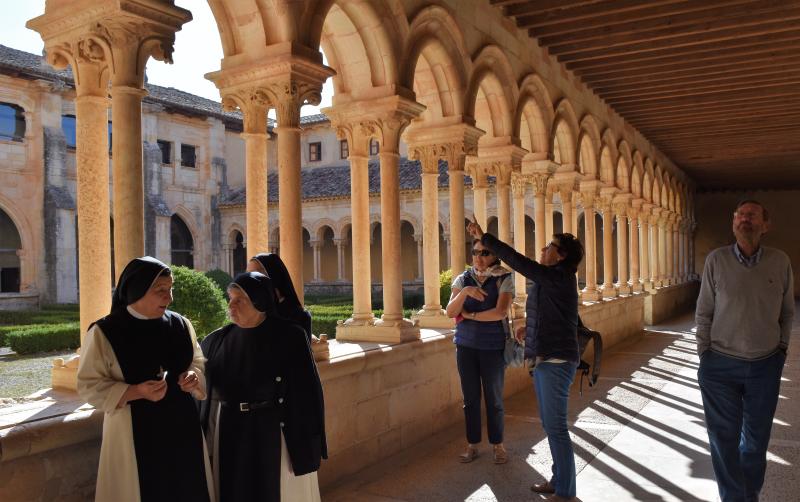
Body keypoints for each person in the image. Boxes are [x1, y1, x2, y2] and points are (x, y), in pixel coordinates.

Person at [77, 256, 213, 502]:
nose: (169, 297)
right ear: (136, 289)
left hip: (182, 428)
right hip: (132, 433)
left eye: (170, 289)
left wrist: (192, 377)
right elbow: (88, 385)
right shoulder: (104, 332)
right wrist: (136, 391)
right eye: (160, 290)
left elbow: (197, 361)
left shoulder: (181, 324)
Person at [468, 218, 584, 502]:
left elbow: (518, 262)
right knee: (550, 424)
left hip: (556, 361)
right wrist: (528, 329)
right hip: (549, 358)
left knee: (556, 426)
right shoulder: (555, 281)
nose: (543, 249)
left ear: (562, 255)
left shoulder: (557, 276)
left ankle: (566, 491)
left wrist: (486, 239)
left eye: (550, 246)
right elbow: (551, 316)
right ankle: (558, 480)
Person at [696, 199, 793, 502]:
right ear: (733, 223)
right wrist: (705, 354)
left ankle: (748, 495)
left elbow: (787, 312)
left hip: (765, 365)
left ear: (766, 225)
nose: (743, 219)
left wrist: (781, 350)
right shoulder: (716, 259)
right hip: (720, 366)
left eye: (752, 215)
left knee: (755, 442)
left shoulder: (780, 261)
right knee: (723, 441)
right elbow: (704, 312)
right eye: (739, 214)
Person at [200, 272, 327, 502]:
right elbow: (206, 392)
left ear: (259, 302)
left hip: (275, 434)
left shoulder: (290, 337)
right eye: (230, 298)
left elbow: (308, 394)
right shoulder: (216, 340)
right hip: (230, 432)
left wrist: (307, 446)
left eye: (239, 300)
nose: (231, 305)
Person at [446, 239, 514, 464]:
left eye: (485, 253)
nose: (478, 257)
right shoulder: (463, 279)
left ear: (495, 256)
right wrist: (465, 292)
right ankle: (472, 444)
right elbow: (450, 311)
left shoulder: (503, 278)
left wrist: (470, 316)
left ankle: (498, 445)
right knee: (470, 399)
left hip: (492, 347)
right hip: (465, 346)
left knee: (494, 399)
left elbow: (500, 312)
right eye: (475, 252)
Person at [248, 253, 313, 340]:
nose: (250, 280)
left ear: (274, 275)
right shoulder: (249, 313)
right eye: (249, 274)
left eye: (256, 274)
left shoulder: (300, 317)